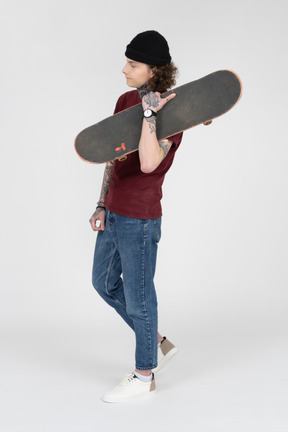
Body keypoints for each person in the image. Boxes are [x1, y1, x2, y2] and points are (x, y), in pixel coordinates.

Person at [89, 30, 183, 403]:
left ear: (154, 71)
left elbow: (148, 163)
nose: (124, 69)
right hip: (113, 211)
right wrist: (100, 203)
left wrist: (149, 113)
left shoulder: (175, 111)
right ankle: (156, 340)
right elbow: (114, 156)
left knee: (140, 298)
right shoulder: (125, 99)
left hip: (140, 217)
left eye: (133, 64)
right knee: (103, 283)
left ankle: (144, 375)